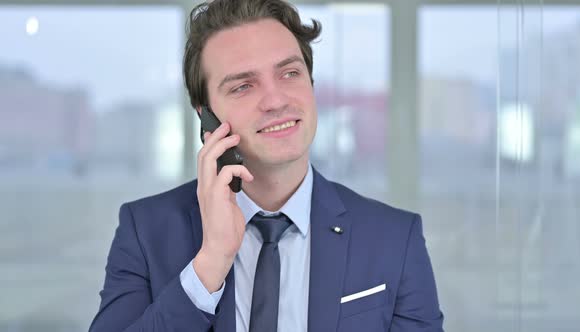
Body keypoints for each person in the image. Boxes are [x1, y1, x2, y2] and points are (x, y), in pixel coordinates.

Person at [89, 0, 444, 331]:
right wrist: (210, 263)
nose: (276, 100)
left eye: (290, 73)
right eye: (244, 86)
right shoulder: (144, 230)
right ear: (206, 117)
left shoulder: (395, 239)